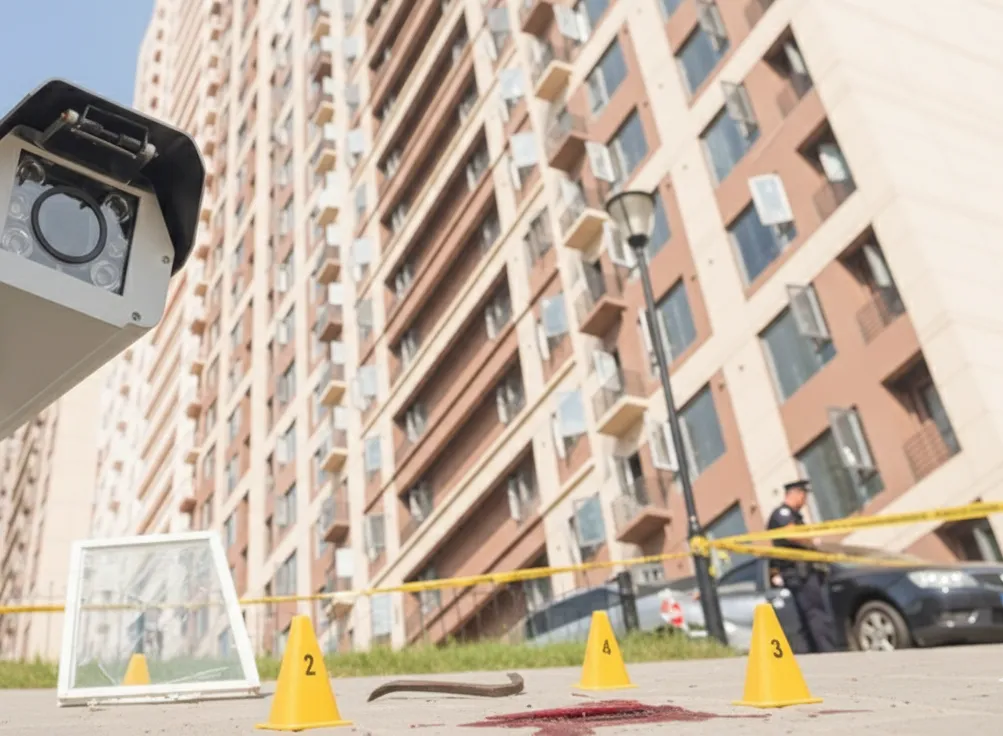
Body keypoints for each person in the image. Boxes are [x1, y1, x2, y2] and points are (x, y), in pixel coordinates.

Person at [767, 479, 838, 653]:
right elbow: (793, 536)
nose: (805, 501)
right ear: (797, 494)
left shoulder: (795, 516)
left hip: (802, 573)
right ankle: (827, 652)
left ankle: (816, 652)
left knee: (810, 615)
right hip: (799, 574)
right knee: (816, 614)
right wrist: (813, 543)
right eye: (804, 496)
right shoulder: (782, 513)